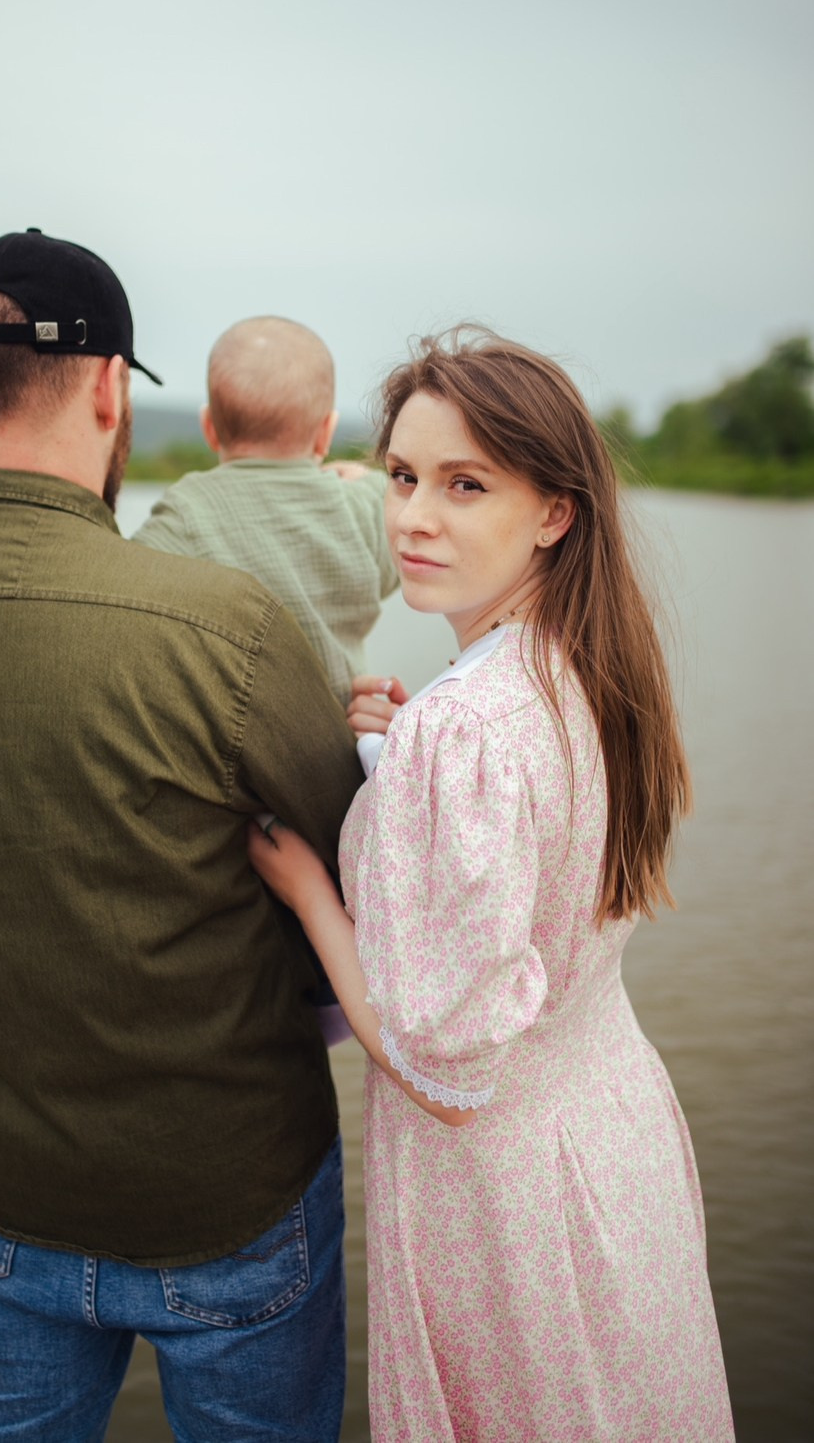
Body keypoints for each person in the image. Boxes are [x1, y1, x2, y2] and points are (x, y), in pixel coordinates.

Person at [0, 229, 364, 1443]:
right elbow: (356, 854)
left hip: (2, 1198)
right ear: (111, 389)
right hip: (230, 1203)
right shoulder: (225, 627)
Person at [248, 327, 735, 1442]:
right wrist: (407, 751)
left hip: (506, 1195)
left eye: (466, 486)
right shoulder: (588, 662)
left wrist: (309, 886)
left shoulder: (465, 731)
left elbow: (440, 1068)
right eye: (405, 477)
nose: (415, 517)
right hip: (612, 1132)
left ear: (555, 511)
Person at [133, 315, 398, 705]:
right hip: (347, 742)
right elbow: (401, 513)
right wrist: (371, 481)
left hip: (234, 747)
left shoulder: (185, 513)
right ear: (326, 431)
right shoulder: (366, 503)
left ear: (209, 427)